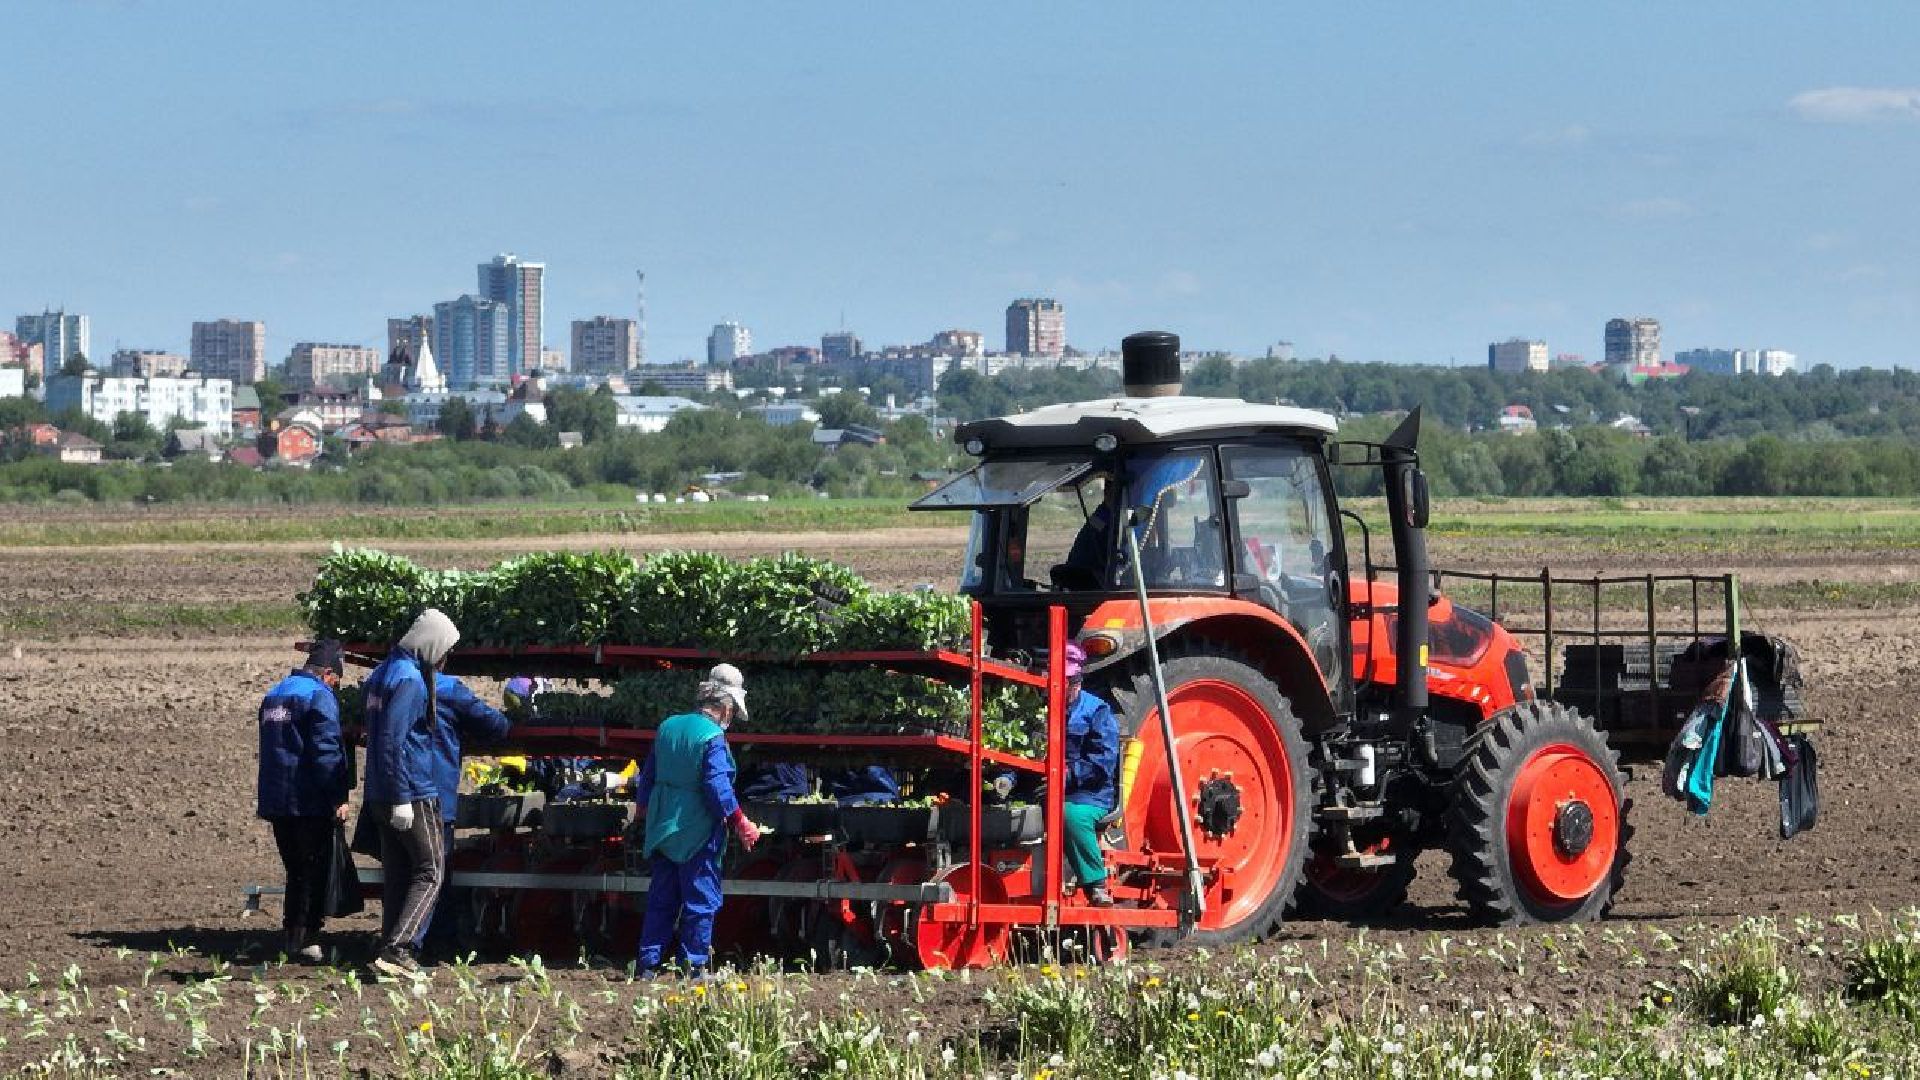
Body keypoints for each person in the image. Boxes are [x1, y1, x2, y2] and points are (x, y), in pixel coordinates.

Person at [631, 663, 763, 976]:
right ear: (726, 708)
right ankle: (693, 967)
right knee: (700, 900)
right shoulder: (712, 737)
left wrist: (643, 815)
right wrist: (741, 822)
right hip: (696, 829)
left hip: (662, 826)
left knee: (661, 899)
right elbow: (717, 787)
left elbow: (648, 776)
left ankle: (648, 966)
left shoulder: (667, 727)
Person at [362, 608, 460, 978]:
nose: (445, 658)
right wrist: (402, 796)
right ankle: (398, 949)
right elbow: (392, 739)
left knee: (399, 873)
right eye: (445, 650)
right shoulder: (410, 680)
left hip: (380, 791)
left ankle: (386, 948)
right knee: (431, 870)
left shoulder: (381, 673)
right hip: (412, 790)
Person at [256, 639, 351, 963]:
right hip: (308, 800)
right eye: (336, 681)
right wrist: (338, 796)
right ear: (328, 674)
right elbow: (326, 752)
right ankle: (308, 938)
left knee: (295, 869)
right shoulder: (318, 696)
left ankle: (292, 935)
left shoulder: (274, 694)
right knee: (313, 870)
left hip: (276, 799)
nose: (335, 688)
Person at [412, 669, 512, 959]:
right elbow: (493, 724)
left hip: (396, 792)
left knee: (404, 872)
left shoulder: (391, 681)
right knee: (435, 871)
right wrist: (509, 724)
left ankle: (401, 939)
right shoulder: (447, 689)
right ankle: (434, 942)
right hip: (434, 794)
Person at [1059, 643, 1121, 907]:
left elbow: (1103, 762)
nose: (1063, 689)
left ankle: (1095, 883)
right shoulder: (1042, 711)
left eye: (1068, 683)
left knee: (1069, 814)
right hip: (1049, 788)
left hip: (1090, 794)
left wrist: (1068, 777)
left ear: (1077, 682)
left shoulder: (1097, 711)